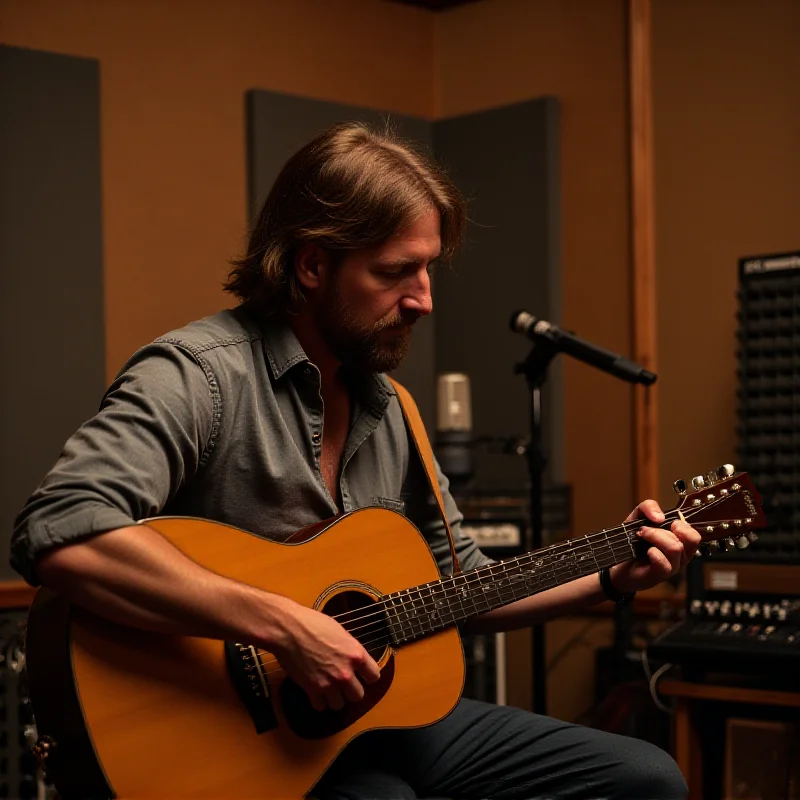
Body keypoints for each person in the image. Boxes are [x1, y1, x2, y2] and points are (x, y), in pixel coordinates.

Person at [12, 121, 694, 799]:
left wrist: (613, 574)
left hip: (374, 721)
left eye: (428, 269)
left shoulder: (392, 408)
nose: (423, 299)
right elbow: (63, 530)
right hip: (231, 739)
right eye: (396, 272)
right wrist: (283, 626)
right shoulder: (199, 377)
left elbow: (471, 587)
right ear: (312, 265)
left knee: (645, 778)